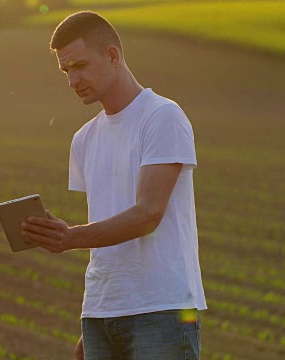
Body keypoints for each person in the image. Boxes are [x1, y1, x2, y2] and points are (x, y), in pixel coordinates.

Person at [21, 11, 206, 360]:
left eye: (80, 65)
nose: (73, 79)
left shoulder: (162, 116)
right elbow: (108, 229)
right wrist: (96, 316)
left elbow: (147, 215)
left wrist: (70, 237)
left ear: (112, 55)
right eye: (66, 70)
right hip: (101, 316)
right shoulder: (84, 139)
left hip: (163, 312)